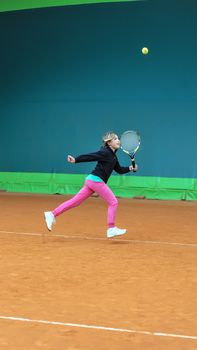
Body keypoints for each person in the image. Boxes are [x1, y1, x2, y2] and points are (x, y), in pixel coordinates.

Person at [44, 131, 138, 238]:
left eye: (118, 138)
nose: (118, 140)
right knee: (113, 202)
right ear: (108, 142)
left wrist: (130, 168)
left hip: (91, 181)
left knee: (74, 202)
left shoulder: (113, 157)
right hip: (96, 181)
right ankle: (111, 228)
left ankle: (51, 214)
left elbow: (119, 170)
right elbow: (91, 156)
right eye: (115, 139)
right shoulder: (105, 152)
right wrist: (76, 160)